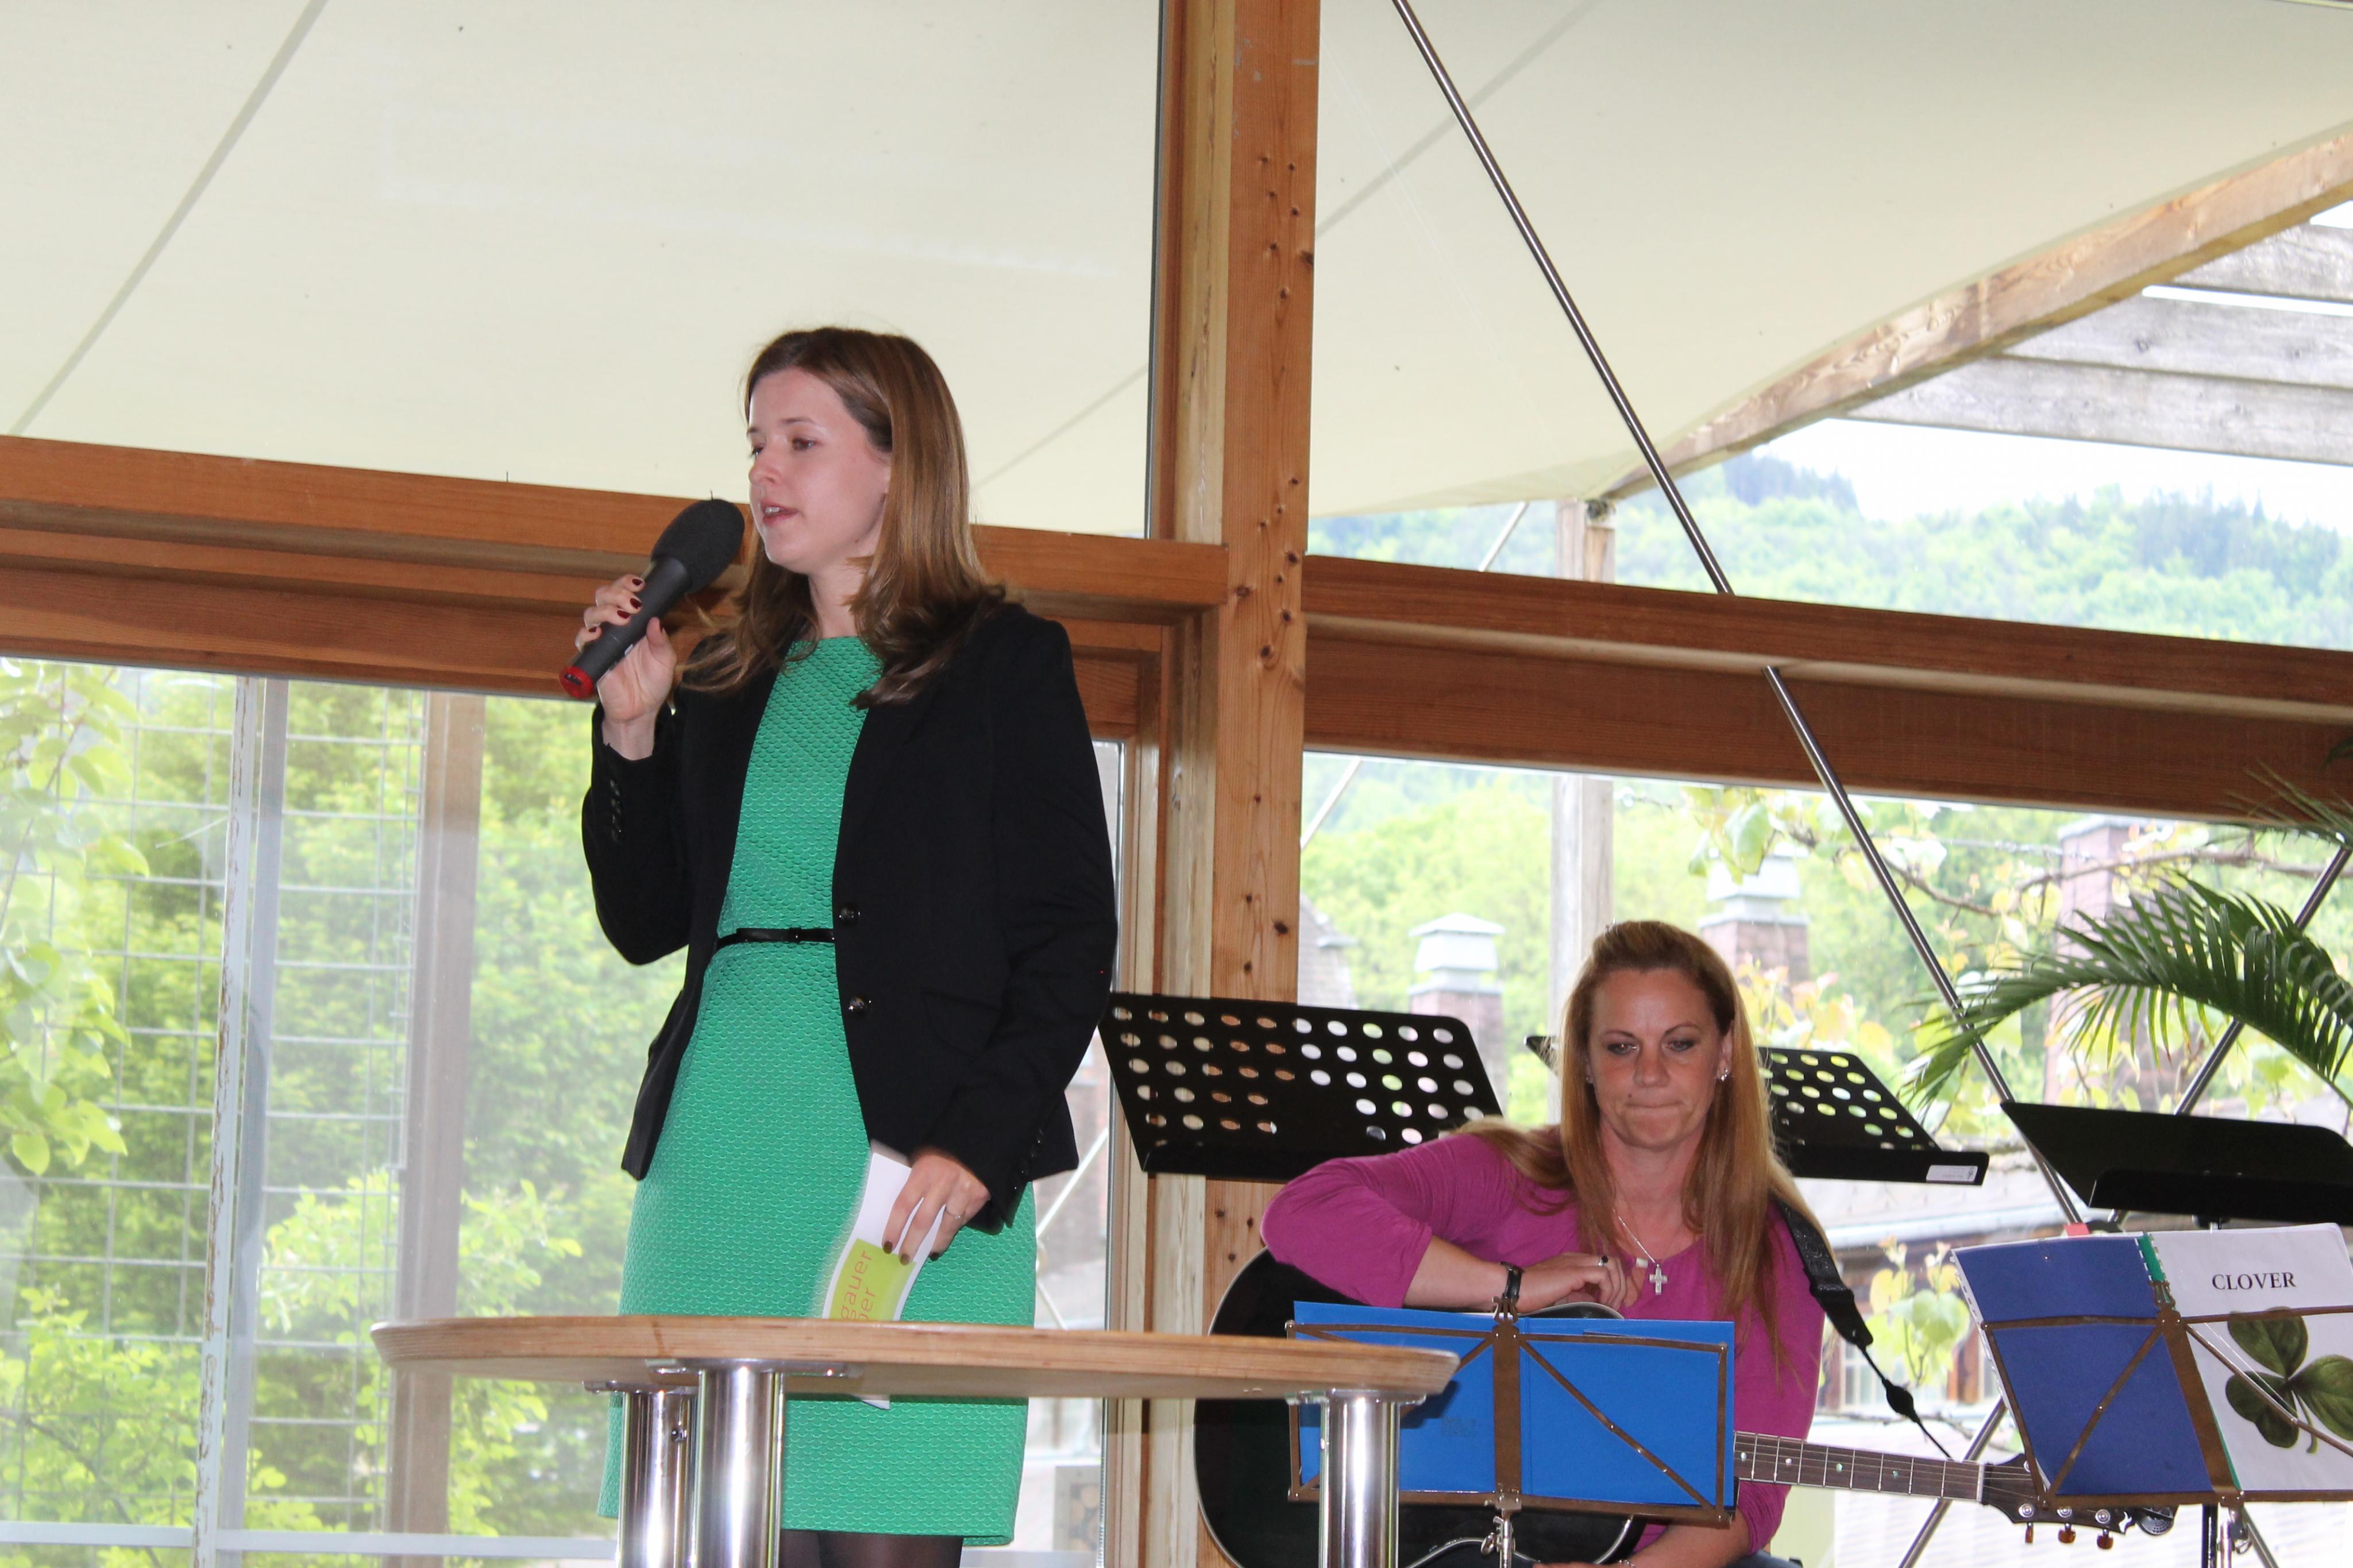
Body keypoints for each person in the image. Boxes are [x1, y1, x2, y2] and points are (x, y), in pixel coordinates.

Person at [578, 326, 1118, 1568]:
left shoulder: (1003, 663)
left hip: (917, 1168)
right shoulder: (724, 676)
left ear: (895, 464)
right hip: (724, 1152)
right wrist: (632, 735)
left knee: (884, 1530)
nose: (764, 472)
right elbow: (644, 921)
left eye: (801, 442)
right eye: (755, 444)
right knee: (713, 1533)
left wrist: (978, 1144)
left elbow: (1066, 939)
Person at [1262, 921, 1826, 1568]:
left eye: (1680, 1044)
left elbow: (1753, 1498)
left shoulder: (1780, 1248)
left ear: (1724, 1053)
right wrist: (1509, 1287)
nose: (1649, 1073)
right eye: (1621, 1047)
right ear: (1582, 1060)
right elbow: (1301, 1211)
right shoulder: (1508, 1174)